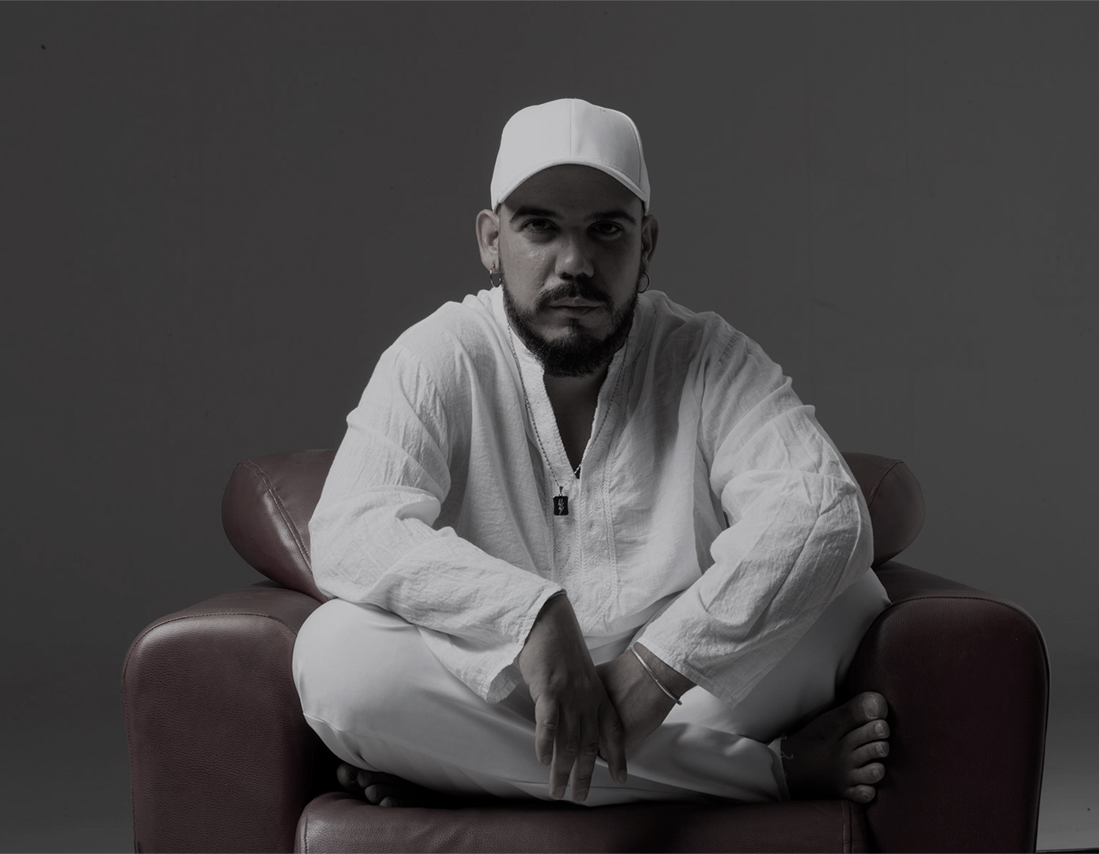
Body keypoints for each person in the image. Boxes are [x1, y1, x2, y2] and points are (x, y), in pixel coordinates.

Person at [292, 98, 893, 809]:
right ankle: (766, 774)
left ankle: (468, 768)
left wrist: (659, 666)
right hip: (509, 683)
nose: (574, 263)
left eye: (606, 229)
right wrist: (532, 617)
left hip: (684, 688)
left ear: (647, 244)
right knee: (336, 659)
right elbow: (353, 529)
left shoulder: (706, 355)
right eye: (540, 226)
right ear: (490, 241)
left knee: (849, 593)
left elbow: (823, 513)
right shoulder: (437, 356)